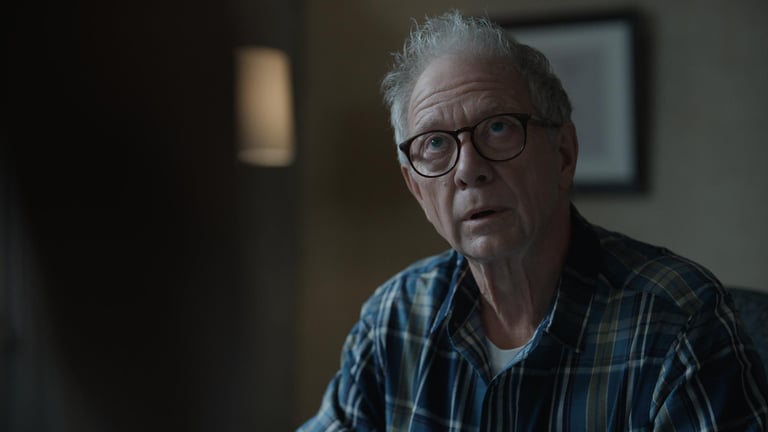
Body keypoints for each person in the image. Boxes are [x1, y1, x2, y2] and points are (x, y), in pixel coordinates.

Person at [298, 10, 768, 431]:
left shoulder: (679, 323)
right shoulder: (393, 320)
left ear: (563, 155)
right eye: (435, 143)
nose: (468, 169)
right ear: (417, 187)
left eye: (498, 127)